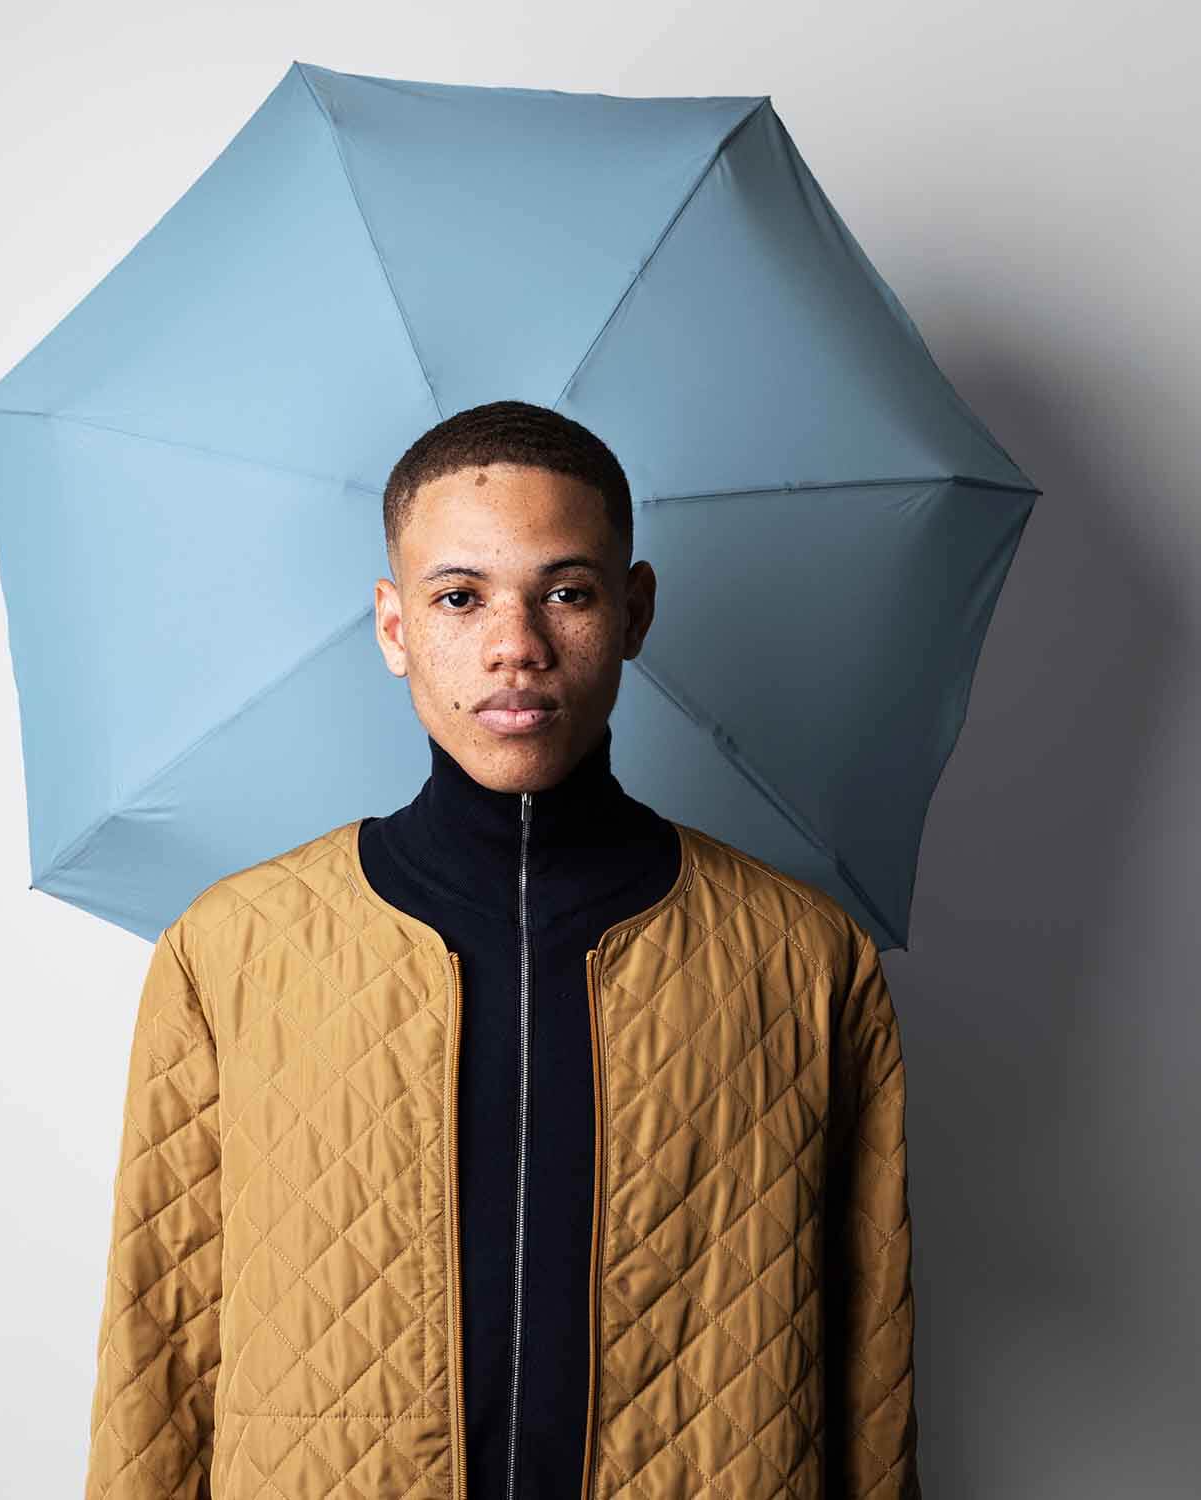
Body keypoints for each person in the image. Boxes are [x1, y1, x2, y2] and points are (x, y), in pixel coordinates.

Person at [83, 400, 922, 1500]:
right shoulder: (232, 950)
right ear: (394, 626)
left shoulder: (805, 959)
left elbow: (872, 1375)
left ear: (634, 610)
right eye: (460, 597)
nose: (515, 645)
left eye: (565, 592)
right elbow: (160, 1352)